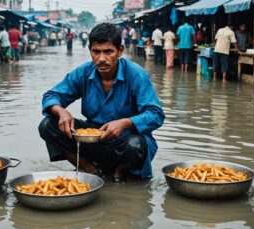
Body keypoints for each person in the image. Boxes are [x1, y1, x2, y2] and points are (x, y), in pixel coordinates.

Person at [38, 23, 165, 182]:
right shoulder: (84, 72)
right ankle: (89, 168)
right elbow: (51, 95)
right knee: (48, 124)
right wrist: (61, 111)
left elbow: (156, 114)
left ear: (120, 51)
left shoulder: (136, 75)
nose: (102, 59)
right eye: (96, 52)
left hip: (126, 142)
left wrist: (125, 123)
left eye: (108, 52)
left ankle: (119, 172)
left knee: (136, 144)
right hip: (93, 139)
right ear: (90, 50)